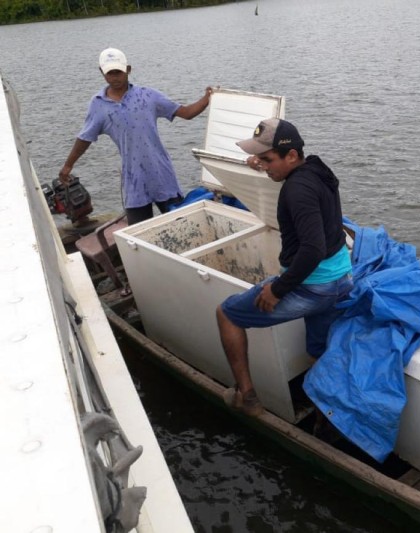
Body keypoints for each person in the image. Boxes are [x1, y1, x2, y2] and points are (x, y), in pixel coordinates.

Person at [215, 118, 353, 415]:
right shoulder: (316, 168)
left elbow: (312, 249)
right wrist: (258, 162)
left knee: (227, 314)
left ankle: (247, 397)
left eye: (268, 160)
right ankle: (327, 413)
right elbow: (321, 245)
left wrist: (278, 289)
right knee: (318, 350)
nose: (264, 165)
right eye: (260, 159)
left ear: (291, 156)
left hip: (314, 286)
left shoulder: (297, 190)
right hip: (341, 279)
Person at [59, 48, 213, 225]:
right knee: (139, 233)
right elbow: (85, 137)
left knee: (183, 225)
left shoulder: (148, 95)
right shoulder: (98, 104)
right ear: (102, 72)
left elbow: (186, 113)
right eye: (110, 73)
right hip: (134, 181)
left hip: (162, 175)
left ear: (128, 69)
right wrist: (68, 165)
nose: (115, 77)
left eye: (119, 72)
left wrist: (207, 98)